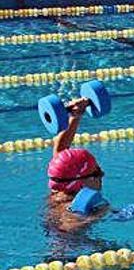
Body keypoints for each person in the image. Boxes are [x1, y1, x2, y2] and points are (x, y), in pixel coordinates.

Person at [46, 98, 107, 231]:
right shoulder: (72, 205)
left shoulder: (61, 187)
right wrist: (100, 214)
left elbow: (62, 155)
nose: (102, 175)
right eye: (97, 172)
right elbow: (69, 227)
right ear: (82, 182)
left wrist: (75, 116)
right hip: (73, 247)